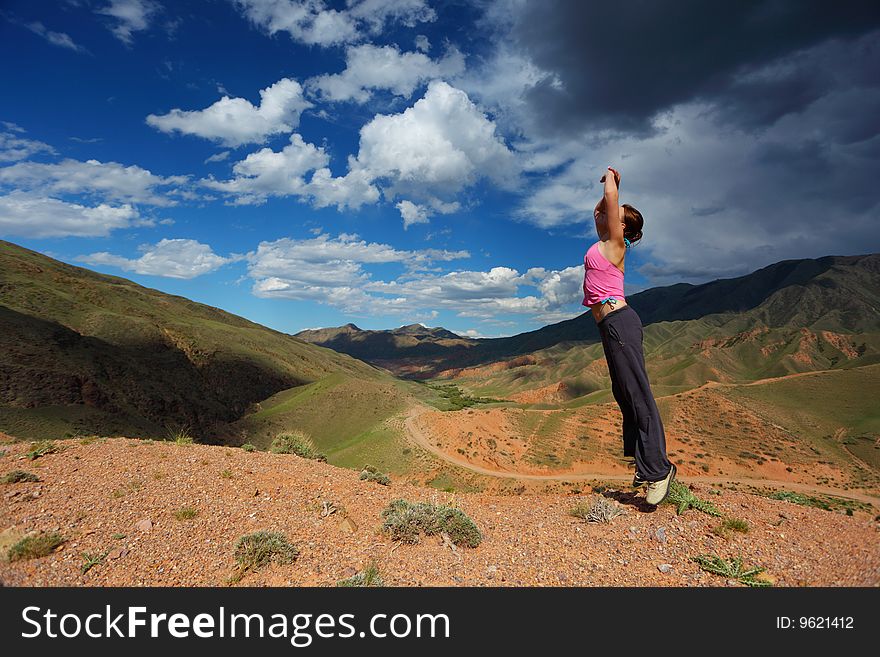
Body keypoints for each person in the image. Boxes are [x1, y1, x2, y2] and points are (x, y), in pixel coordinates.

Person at [582, 166, 676, 505]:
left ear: (624, 227)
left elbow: (608, 199)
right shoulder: (603, 241)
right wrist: (610, 193)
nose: (608, 216)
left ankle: (658, 469)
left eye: (615, 215)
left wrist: (612, 178)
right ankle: (644, 463)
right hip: (608, 326)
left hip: (620, 322)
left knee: (638, 394)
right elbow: (599, 209)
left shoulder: (616, 246)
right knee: (624, 394)